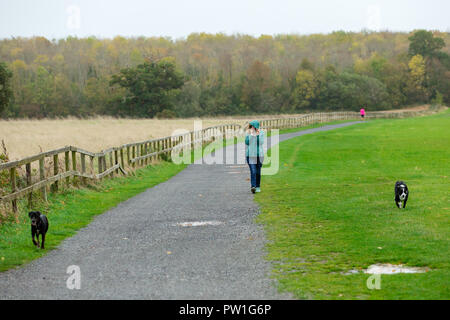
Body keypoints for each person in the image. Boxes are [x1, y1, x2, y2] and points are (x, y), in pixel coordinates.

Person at [245, 120, 264, 194]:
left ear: (256, 127)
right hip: (250, 155)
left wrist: (257, 135)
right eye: (251, 126)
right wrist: (251, 135)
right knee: (253, 171)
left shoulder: (261, 133)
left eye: (253, 126)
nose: (252, 128)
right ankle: (253, 187)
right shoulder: (248, 133)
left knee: (258, 171)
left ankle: (258, 186)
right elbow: (246, 142)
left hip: (259, 155)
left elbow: (261, 142)